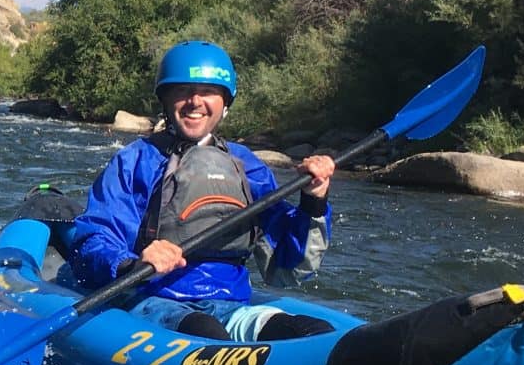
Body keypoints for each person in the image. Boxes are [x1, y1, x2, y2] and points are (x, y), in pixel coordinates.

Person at [66, 39, 337, 342]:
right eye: (183, 90)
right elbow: (93, 242)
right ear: (165, 99)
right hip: (152, 301)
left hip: (232, 306)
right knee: (206, 332)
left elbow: (288, 269)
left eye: (208, 91)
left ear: (225, 102)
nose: (195, 101)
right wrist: (132, 263)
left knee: (312, 333)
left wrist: (313, 201)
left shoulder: (248, 168)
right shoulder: (134, 162)